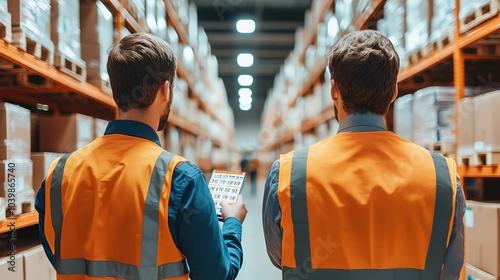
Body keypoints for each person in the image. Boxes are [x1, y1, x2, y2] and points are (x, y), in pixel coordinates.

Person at [35, 32, 247, 280]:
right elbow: (216, 274)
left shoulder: (60, 173)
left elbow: (57, 252)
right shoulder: (180, 179)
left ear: (116, 90)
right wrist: (232, 223)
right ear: (165, 90)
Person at [262, 30, 465, 280]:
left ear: (334, 90)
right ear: (393, 93)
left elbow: (279, 255)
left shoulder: (288, 173)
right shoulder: (442, 176)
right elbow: (452, 267)